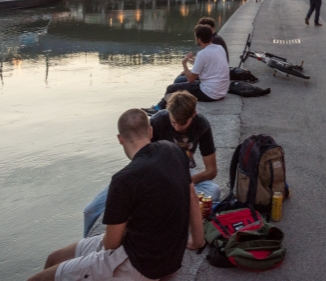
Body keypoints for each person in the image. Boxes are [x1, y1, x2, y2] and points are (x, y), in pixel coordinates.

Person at [30, 109, 203, 281]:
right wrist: (197, 242)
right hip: (170, 260)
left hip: (138, 265)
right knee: (55, 258)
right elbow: (193, 198)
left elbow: (111, 244)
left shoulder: (124, 179)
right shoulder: (173, 150)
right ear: (150, 131)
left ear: (120, 139)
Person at [83, 92, 221, 237]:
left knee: (213, 190)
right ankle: (86, 244)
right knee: (91, 210)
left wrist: (181, 180)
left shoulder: (201, 125)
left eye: (183, 124)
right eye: (174, 122)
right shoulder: (157, 122)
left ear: (193, 114)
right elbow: (140, 163)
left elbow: (211, 171)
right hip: (153, 177)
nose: (177, 128)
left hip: (182, 175)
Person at [147, 24, 230, 113]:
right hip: (222, 91)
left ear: (198, 39)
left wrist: (184, 63)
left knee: (171, 88)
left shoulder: (202, 54)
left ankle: (159, 110)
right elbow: (211, 64)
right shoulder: (219, 48)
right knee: (179, 83)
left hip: (210, 94)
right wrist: (196, 61)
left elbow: (190, 79)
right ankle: (165, 108)